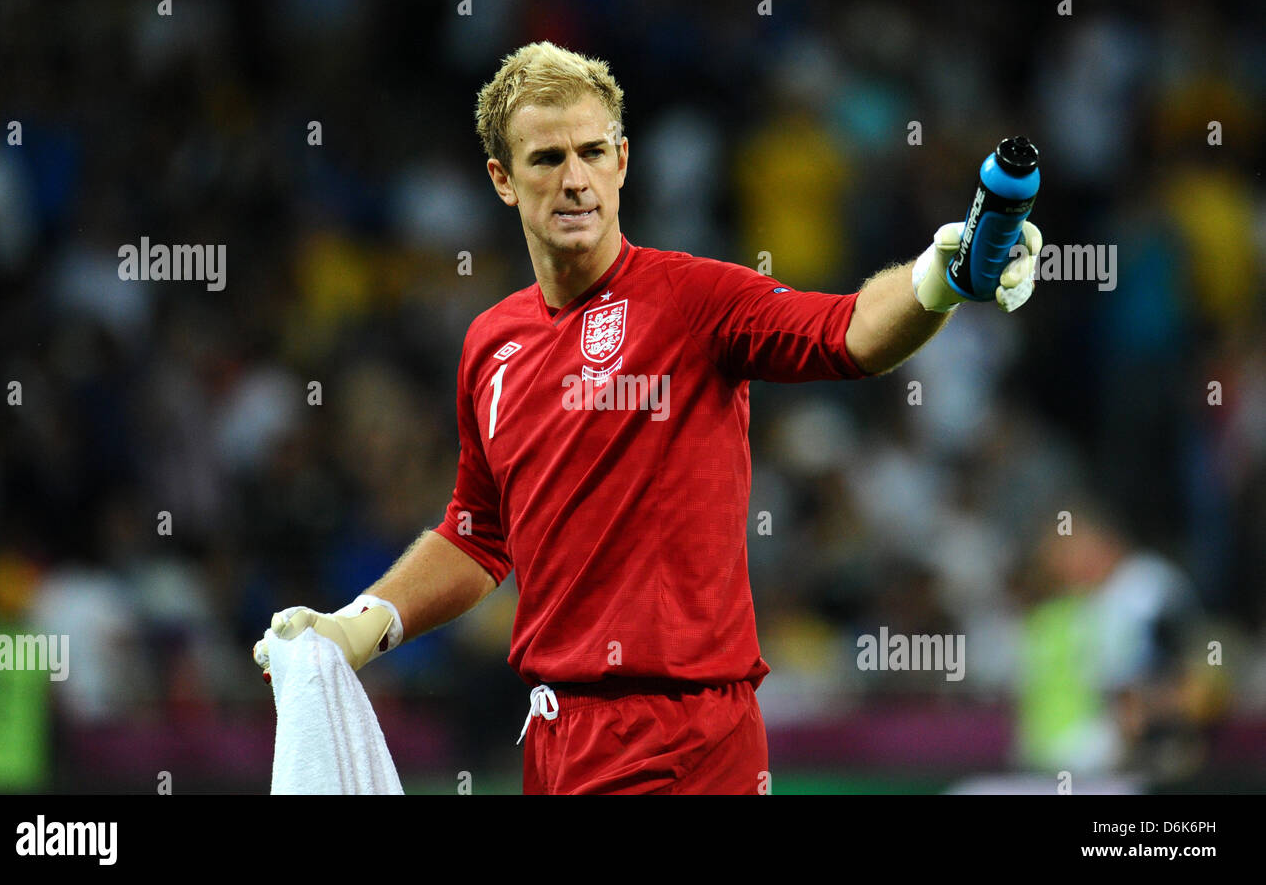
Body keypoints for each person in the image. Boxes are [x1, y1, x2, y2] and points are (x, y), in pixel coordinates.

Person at [252, 41, 1042, 794]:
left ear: (623, 160)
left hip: (685, 738)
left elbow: (847, 332)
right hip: (556, 738)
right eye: (548, 158)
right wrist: (361, 624)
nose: (575, 180)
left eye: (593, 153)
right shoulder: (490, 346)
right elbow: (479, 533)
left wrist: (939, 277)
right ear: (501, 178)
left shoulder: (693, 300)